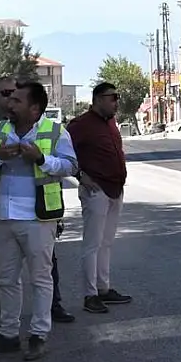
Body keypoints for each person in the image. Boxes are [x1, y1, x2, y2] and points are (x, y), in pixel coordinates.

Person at [0, 81, 77, 361]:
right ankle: (8, 334)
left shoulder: (55, 131)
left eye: (16, 100)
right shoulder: (1, 129)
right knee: (5, 279)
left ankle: (38, 335)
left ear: (34, 108)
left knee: (41, 279)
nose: (9, 104)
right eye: (9, 99)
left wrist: (41, 159)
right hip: (3, 218)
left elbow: (70, 166)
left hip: (38, 219)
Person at [68, 82, 131, 314]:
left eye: (117, 97)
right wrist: (79, 175)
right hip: (96, 191)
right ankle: (90, 294)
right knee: (92, 244)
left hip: (115, 189)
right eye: (111, 97)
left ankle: (104, 289)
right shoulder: (81, 125)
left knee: (106, 243)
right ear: (97, 99)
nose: (116, 102)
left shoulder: (111, 123)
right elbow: (63, 151)